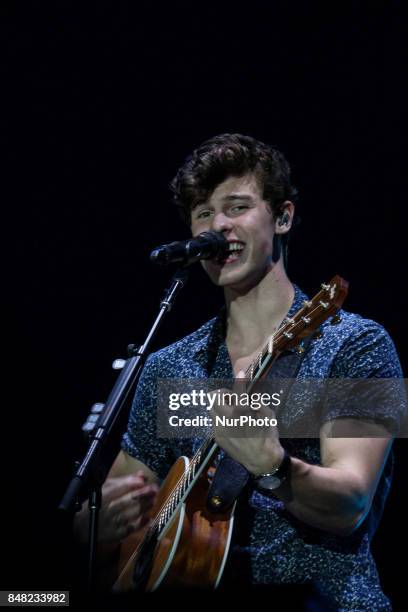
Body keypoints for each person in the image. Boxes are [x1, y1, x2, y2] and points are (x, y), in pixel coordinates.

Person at [74, 134, 403, 610]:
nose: (218, 225)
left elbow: (350, 504)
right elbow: (123, 496)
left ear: (283, 217)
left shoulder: (356, 343)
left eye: (237, 207)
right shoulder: (171, 365)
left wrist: (273, 467)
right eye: (204, 213)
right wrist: (96, 525)